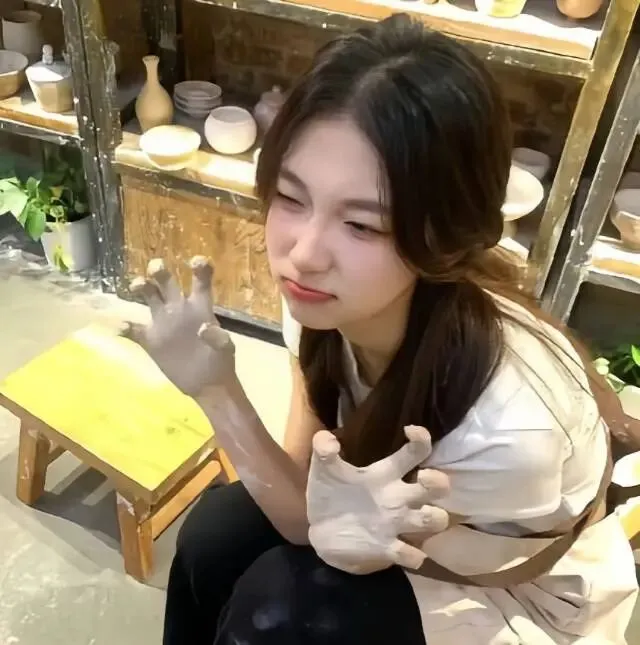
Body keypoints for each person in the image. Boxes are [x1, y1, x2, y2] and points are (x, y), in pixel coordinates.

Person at [126, 13, 638, 645]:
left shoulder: (507, 430)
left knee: (285, 609)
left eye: (362, 225)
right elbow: (305, 491)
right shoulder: (326, 300)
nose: (303, 254)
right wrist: (214, 387)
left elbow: (319, 535)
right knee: (215, 535)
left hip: (517, 589)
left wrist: (224, 402)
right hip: (391, 526)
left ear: (445, 236)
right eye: (291, 197)